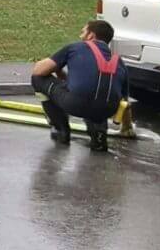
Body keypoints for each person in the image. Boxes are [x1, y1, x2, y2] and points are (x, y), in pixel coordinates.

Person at [31, 19, 127, 152]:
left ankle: (61, 129)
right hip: (108, 109)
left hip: (76, 103)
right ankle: (99, 135)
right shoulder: (119, 60)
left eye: (83, 32)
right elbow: (124, 100)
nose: (80, 36)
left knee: (37, 79)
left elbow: (38, 71)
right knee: (100, 93)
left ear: (91, 35)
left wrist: (57, 67)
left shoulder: (75, 47)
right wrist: (127, 128)